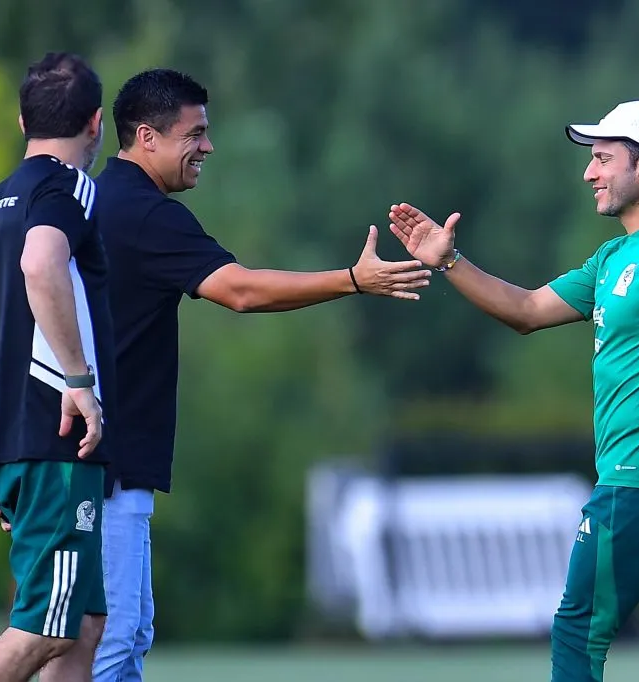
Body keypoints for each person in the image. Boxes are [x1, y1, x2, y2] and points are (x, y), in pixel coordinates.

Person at [388, 100, 639, 682]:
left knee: (576, 634)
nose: (589, 172)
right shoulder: (615, 256)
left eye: (603, 159)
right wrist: (449, 261)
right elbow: (526, 310)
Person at [83, 67, 426, 681]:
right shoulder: (143, 215)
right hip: (112, 462)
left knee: (120, 636)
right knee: (114, 640)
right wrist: (352, 280)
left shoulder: (93, 201)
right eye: (196, 133)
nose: (208, 147)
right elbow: (239, 290)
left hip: (85, 459)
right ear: (147, 136)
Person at [0, 52, 117, 682]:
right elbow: (41, 261)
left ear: (22, 120)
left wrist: (1, 454)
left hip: (18, 442)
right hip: (56, 444)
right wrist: (79, 383)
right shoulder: (69, 185)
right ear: (96, 124)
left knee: (82, 627)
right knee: (45, 629)